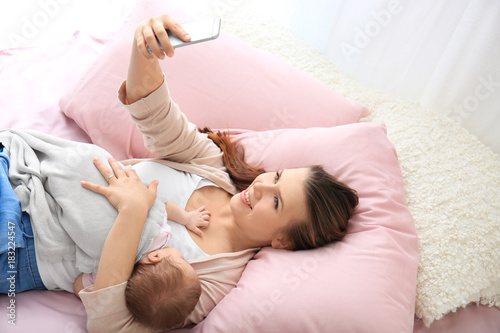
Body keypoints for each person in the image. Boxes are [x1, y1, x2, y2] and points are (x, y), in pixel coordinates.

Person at [73, 13, 359, 332]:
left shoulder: (214, 281)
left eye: (276, 202)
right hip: (43, 169)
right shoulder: (214, 168)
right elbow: (156, 115)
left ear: (283, 240)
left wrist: (134, 211)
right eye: (276, 177)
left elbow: (115, 326)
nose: (262, 188)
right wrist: (145, 53)